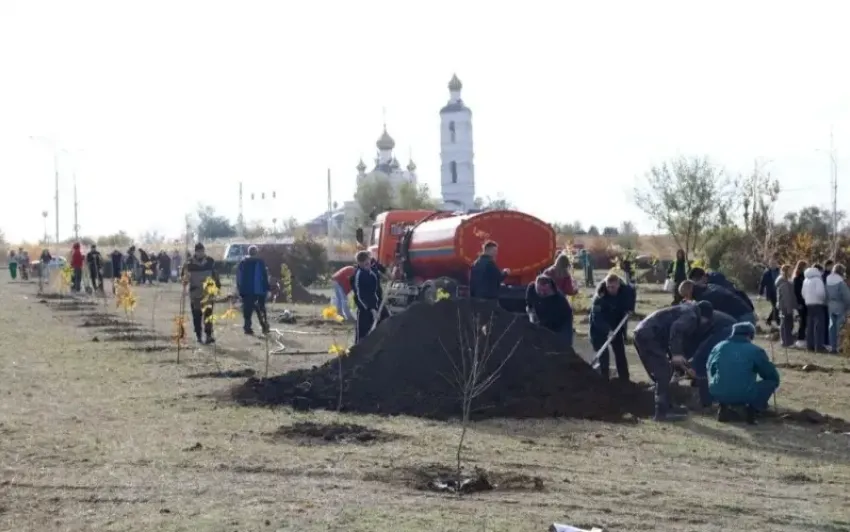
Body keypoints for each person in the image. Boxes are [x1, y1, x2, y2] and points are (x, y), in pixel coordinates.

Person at [633, 300, 714, 421]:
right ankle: (661, 413)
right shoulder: (691, 316)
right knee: (663, 373)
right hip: (649, 335)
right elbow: (676, 329)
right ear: (704, 316)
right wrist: (676, 353)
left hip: (642, 332)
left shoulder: (683, 309)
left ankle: (667, 405)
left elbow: (669, 333)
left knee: (664, 370)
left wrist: (682, 365)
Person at [708, 322, 780, 424]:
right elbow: (770, 374)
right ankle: (752, 411)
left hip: (717, 391)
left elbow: (710, 368)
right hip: (744, 393)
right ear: (750, 335)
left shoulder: (718, 347)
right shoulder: (755, 350)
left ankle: (723, 406)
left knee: (723, 381)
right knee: (772, 381)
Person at [589, 273, 636, 382]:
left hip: (616, 325)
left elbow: (632, 292)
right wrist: (607, 330)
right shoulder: (599, 297)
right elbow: (597, 318)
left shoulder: (626, 290)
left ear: (619, 285)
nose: (610, 289)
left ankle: (625, 380)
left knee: (620, 353)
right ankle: (604, 380)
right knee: (603, 355)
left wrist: (630, 308)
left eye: (613, 287)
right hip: (599, 328)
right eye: (608, 286)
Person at [688, 310, 738, 408]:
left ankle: (706, 400)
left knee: (702, 359)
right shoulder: (691, 316)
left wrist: (693, 366)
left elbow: (700, 350)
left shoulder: (692, 318)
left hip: (726, 329)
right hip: (728, 327)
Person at [183, 243, 221, 344]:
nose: (201, 253)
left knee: (208, 314)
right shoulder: (189, 263)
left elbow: (215, 275)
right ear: (195, 252)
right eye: (199, 251)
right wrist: (185, 280)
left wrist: (217, 286)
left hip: (208, 293)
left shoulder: (210, 261)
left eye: (202, 251)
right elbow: (184, 277)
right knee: (197, 315)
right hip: (195, 293)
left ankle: (208, 335)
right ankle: (199, 335)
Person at [526, 274, 574, 346]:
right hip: (543, 318)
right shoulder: (531, 289)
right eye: (539, 291)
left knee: (562, 343)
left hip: (562, 321)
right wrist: (531, 314)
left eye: (545, 291)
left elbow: (552, 321)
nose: (542, 293)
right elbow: (529, 304)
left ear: (550, 288)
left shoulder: (558, 300)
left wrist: (540, 325)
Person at [678, 280, 754, 324]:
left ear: (689, 291)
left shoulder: (704, 298)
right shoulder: (709, 286)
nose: (686, 298)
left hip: (741, 317)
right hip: (746, 312)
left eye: (685, 295)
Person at [236, 245, 270, 335]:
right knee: (261, 309)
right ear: (256, 252)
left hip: (247, 290)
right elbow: (265, 276)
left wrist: (240, 289)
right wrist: (267, 287)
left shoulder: (243, 262)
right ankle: (264, 327)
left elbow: (239, 277)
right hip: (259, 290)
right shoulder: (260, 262)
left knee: (248, 310)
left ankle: (247, 328)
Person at [688, 267, 754, 311]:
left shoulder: (716, 284)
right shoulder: (713, 279)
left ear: (703, 277)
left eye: (696, 283)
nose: (696, 287)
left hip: (740, 309)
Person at [351, 250, 381, 344]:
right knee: (362, 335)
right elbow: (360, 295)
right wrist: (370, 308)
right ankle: (358, 352)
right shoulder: (359, 275)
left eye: (368, 263)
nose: (367, 266)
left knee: (376, 331)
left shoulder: (371, 271)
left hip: (375, 306)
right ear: (359, 264)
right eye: (364, 264)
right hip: (364, 309)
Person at [802, 264, 827, 352]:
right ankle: (818, 346)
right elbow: (821, 293)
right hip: (818, 304)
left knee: (810, 326)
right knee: (819, 326)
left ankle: (810, 346)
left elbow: (803, 293)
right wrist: (823, 300)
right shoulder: (818, 280)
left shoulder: (806, 280)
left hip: (808, 304)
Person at [825, 263, 850, 353]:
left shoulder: (827, 281)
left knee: (831, 327)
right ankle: (840, 347)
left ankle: (833, 347)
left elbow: (826, 294)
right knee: (840, 327)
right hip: (840, 306)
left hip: (831, 306)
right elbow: (847, 297)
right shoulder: (841, 283)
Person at [775, 264, 797, 348]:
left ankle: (785, 341)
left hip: (784, 306)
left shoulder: (786, 281)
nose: (792, 272)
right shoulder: (784, 283)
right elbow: (787, 297)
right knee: (787, 324)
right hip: (785, 307)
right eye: (790, 270)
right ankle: (787, 342)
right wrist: (789, 309)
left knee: (785, 324)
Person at [759, 258, 780, 326]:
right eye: (772, 264)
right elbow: (762, 283)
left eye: (775, 263)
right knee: (775, 307)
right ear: (769, 265)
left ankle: (769, 320)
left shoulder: (779, 271)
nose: (773, 265)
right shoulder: (767, 273)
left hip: (779, 292)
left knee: (776, 307)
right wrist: (760, 293)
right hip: (771, 293)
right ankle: (778, 322)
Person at [792, 260, 808, 347]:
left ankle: (802, 337)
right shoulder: (798, 278)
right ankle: (800, 338)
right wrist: (799, 303)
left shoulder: (802, 277)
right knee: (802, 321)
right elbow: (797, 292)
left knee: (804, 321)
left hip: (803, 301)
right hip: (801, 302)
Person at [822, 260, 834, 346]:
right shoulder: (826, 276)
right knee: (828, 322)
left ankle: (828, 341)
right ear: (827, 266)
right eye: (831, 266)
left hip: (827, 302)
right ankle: (827, 341)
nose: (832, 268)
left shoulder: (826, 275)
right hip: (827, 302)